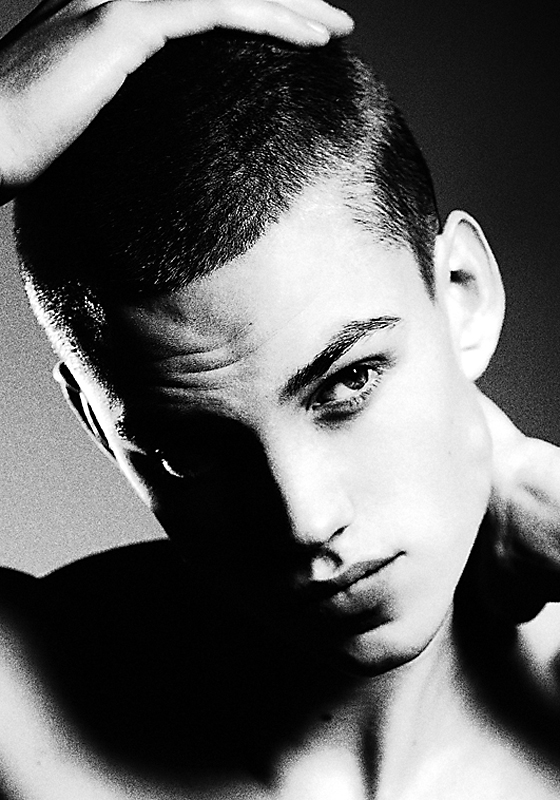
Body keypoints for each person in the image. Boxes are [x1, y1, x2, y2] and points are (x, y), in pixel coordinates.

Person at [1, 1, 560, 798]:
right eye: (190, 452)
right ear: (99, 425)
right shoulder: (28, 719)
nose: (305, 521)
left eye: (349, 382)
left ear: (463, 296)